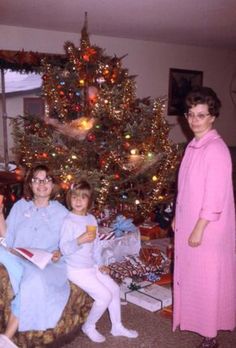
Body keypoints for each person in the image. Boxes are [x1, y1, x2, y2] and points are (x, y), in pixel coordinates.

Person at [172, 86, 236, 348]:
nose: (194, 120)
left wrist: (198, 228)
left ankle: (211, 336)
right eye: (190, 114)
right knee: (192, 274)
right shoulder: (194, 146)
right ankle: (197, 321)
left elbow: (214, 198)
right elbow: (184, 188)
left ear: (212, 117)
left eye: (201, 115)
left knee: (208, 278)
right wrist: (179, 216)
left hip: (208, 227)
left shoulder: (216, 150)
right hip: (191, 220)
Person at [60, 179, 138, 343]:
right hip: (75, 269)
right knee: (104, 296)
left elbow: (96, 246)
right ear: (69, 199)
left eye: (83, 197)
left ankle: (116, 326)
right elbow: (64, 249)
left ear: (89, 200)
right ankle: (88, 326)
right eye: (75, 197)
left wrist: (101, 263)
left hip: (91, 266)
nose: (78, 201)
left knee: (115, 289)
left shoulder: (91, 219)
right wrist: (79, 240)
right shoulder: (68, 221)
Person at [0, 165, 70, 345]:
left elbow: (68, 243)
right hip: (18, 257)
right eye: (36, 180)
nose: (41, 184)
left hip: (45, 264)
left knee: (32, 280)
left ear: (52, 184)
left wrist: (59, 252)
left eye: (46, 179)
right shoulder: (19, 206)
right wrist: (0, 214)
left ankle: (7, 337)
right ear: (30, 184)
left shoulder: (62, 213)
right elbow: (7, 238)